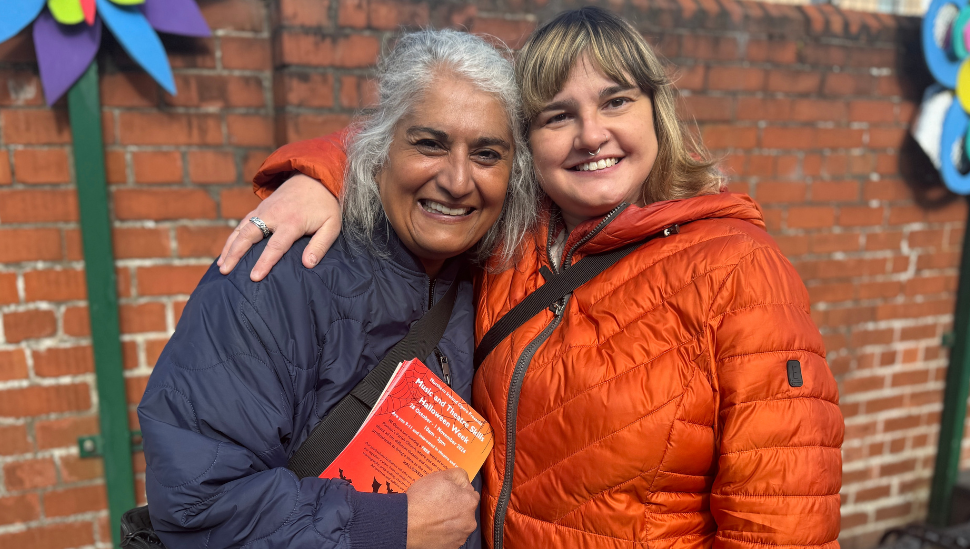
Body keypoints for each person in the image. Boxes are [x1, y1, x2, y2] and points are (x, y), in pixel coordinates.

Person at [219, 8, 845, 549]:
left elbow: (781, 520)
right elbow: (425, 139)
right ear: (527, 142)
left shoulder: (738, 270)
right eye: (557, 116)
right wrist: (319, 174)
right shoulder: (505, 245)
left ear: (659, 111)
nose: (591, 134)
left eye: (616, 100)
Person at [137, 29, 539, 549]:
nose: (459, 181)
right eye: (429, 144)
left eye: (486, 154)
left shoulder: (498, 275)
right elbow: (197, 506)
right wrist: (386, 527)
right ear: (379, 149)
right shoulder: (278, 274)